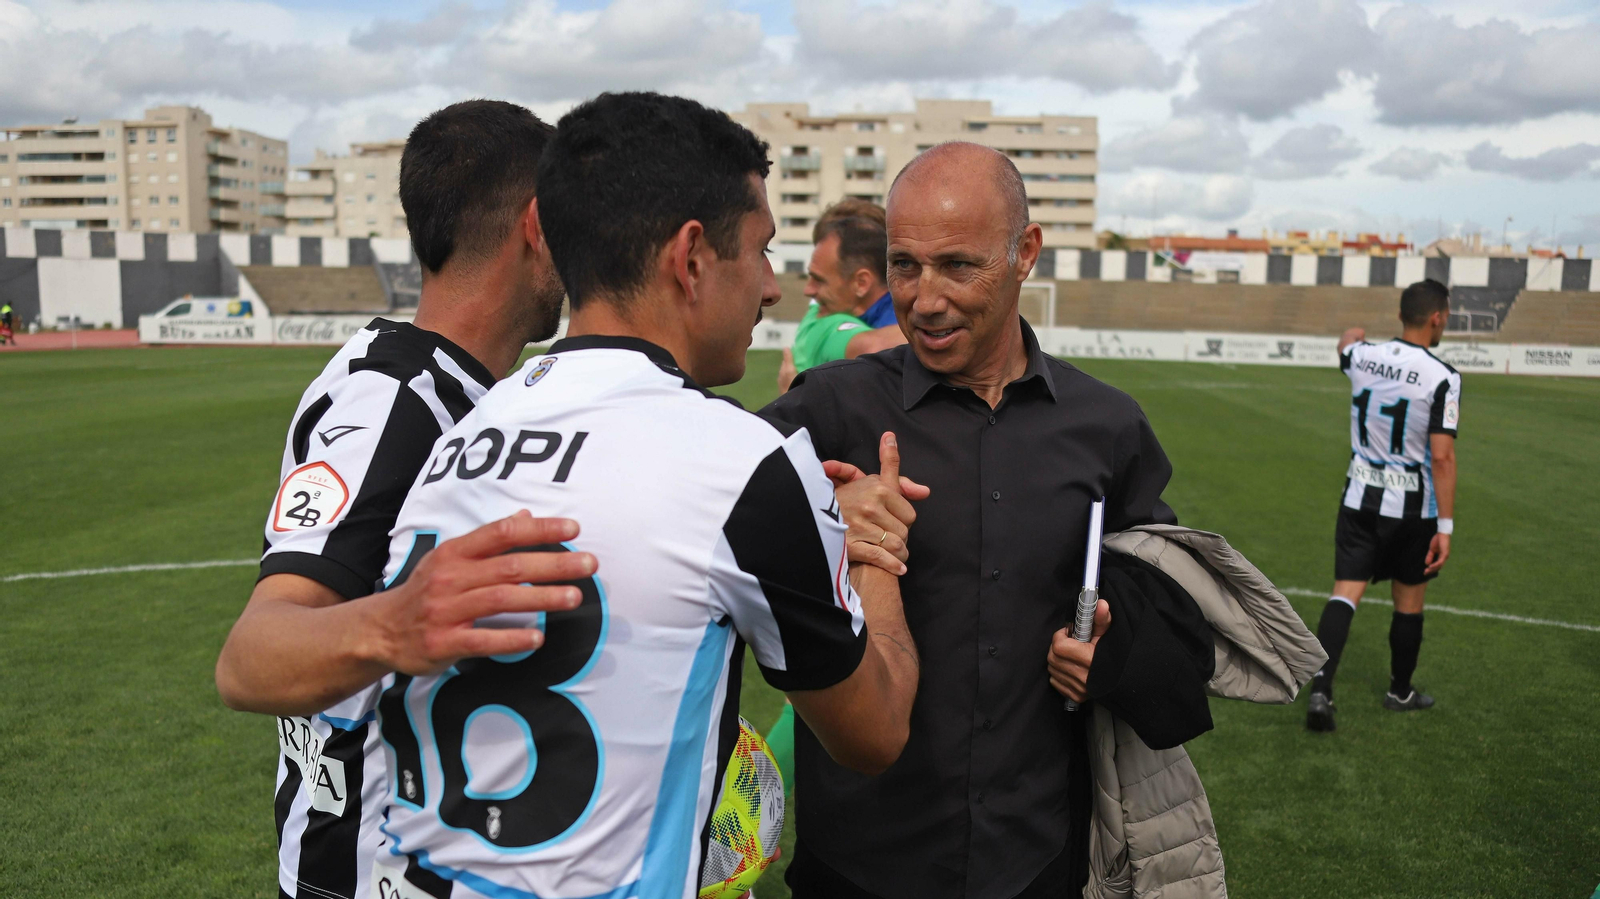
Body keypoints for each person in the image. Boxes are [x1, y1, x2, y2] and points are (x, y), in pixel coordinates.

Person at [365, 91, 921, 899]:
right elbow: (874, 732)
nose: (772, 287)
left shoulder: (463, 429)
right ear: (692, 257)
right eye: (761, 250)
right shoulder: (743, 462)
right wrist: (875, 547)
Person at [763, 142, 1213, 898]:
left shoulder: (1108, 427)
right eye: (905, 266)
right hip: (857, 863)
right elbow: (686, 522)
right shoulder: (829, 407)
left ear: (1024, 253)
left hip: (1035, 861)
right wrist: (818, 511)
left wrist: (1110, 648)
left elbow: (1178, 625)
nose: (926, 298)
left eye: (958, 266)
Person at [214, 100, 590, 899]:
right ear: (537, 225)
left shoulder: (462, 389)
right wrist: (395, 621)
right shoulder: (394, 400)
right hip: (363, 874)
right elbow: (253, 657)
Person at [1306, 278, 1460, 731]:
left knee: (1344, 593)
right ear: (1437, 317)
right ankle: (1400, 691)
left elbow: (1348, 340)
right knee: (1408, 601)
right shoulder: (1443, 376)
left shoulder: (1361, 357)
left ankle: (1320, 689)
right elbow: (1442, 455)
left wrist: (1359, 333)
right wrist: (1445, 527)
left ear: (1401, 315)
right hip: (1413, 509)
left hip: (1359, 496)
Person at [777, 202, 906, 392]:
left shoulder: (904, 315)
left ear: (861, 282)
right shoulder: (822, 316)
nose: (808, 291)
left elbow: (874, 347)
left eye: (819, 279)